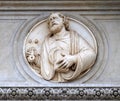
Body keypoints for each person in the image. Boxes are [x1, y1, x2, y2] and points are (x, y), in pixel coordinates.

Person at [40, 13, 97, 82]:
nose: (52, 21)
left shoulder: (74, 38)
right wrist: (34, 59)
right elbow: (44, 63)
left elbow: (91, 54)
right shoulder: (47, 42)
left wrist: (74, 59)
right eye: (50, 20)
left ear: (63, 20)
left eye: (55, 18)